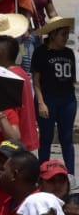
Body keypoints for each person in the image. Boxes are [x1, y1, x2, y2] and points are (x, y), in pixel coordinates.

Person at [33, 16, 76, 173]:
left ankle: (71, 175)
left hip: (67, 100)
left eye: (67, 34)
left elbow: (72, 80)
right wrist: (41, 102)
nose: (66, 38)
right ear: (52, 34)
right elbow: (36, 80)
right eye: (63, 34)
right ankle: (43, 173)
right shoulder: (40, 52)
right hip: (47, 99)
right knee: (46, 138)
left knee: (67, 139)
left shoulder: (69, 53)